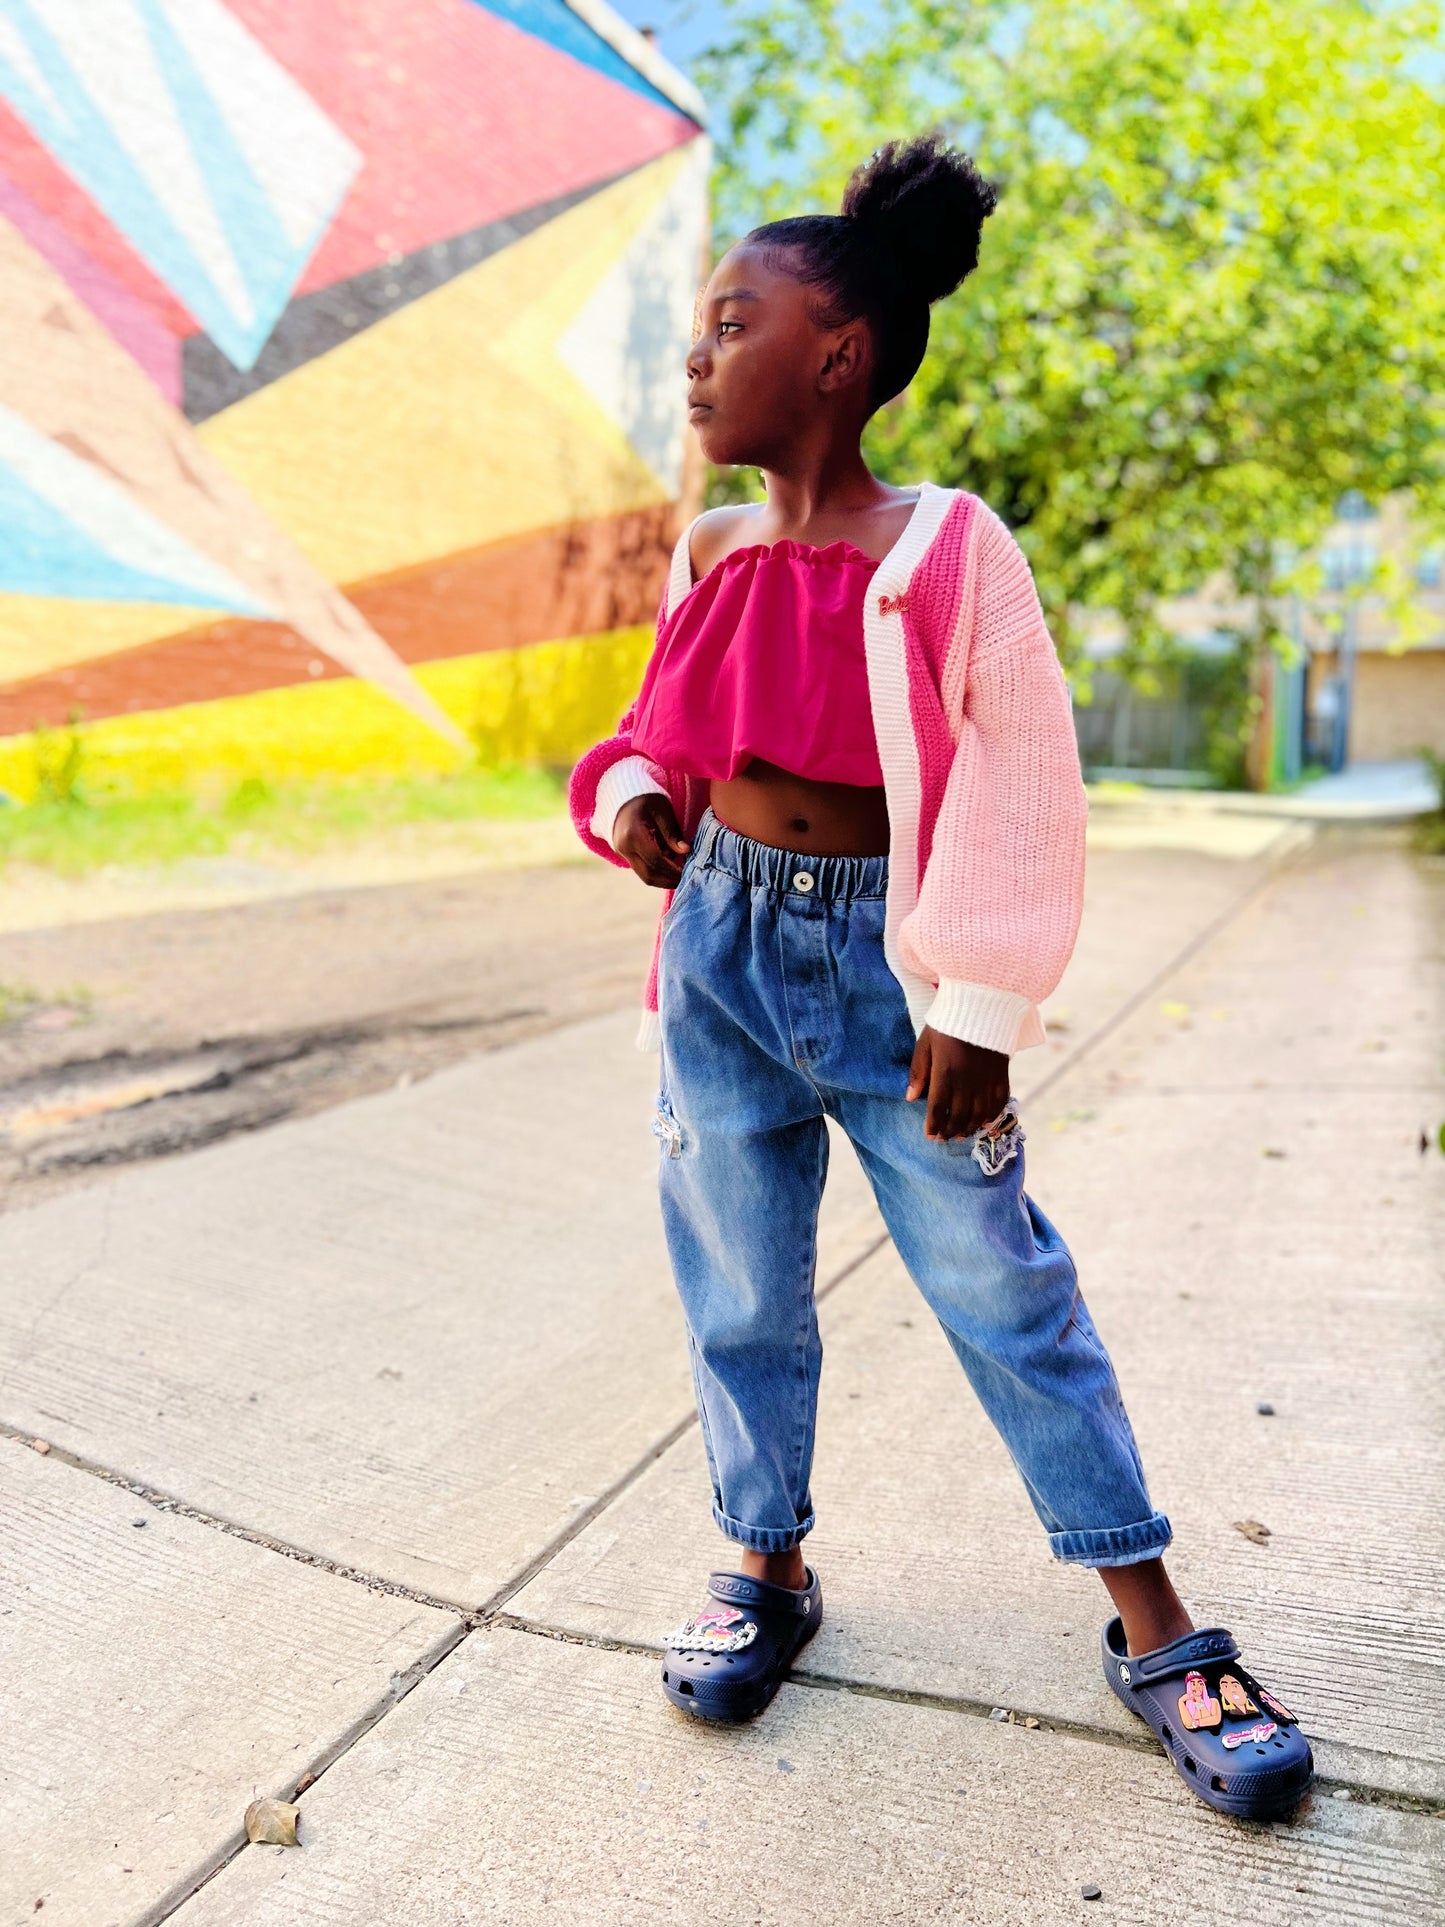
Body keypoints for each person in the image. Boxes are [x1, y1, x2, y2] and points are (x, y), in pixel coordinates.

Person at [567, 132, 1311, 1821]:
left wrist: (975, 1000)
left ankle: (1155, 1618)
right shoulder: (705, 554)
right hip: (721, 963)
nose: (696, 356)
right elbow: (654, 736)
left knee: (1000, 1287)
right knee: (740, 1282)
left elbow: (1022, 774)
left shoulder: (950, 547)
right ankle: (765, 1565)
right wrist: (630, 801)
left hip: (894, 965)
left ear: (836, 357)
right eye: (696, 328)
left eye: (730, 321)